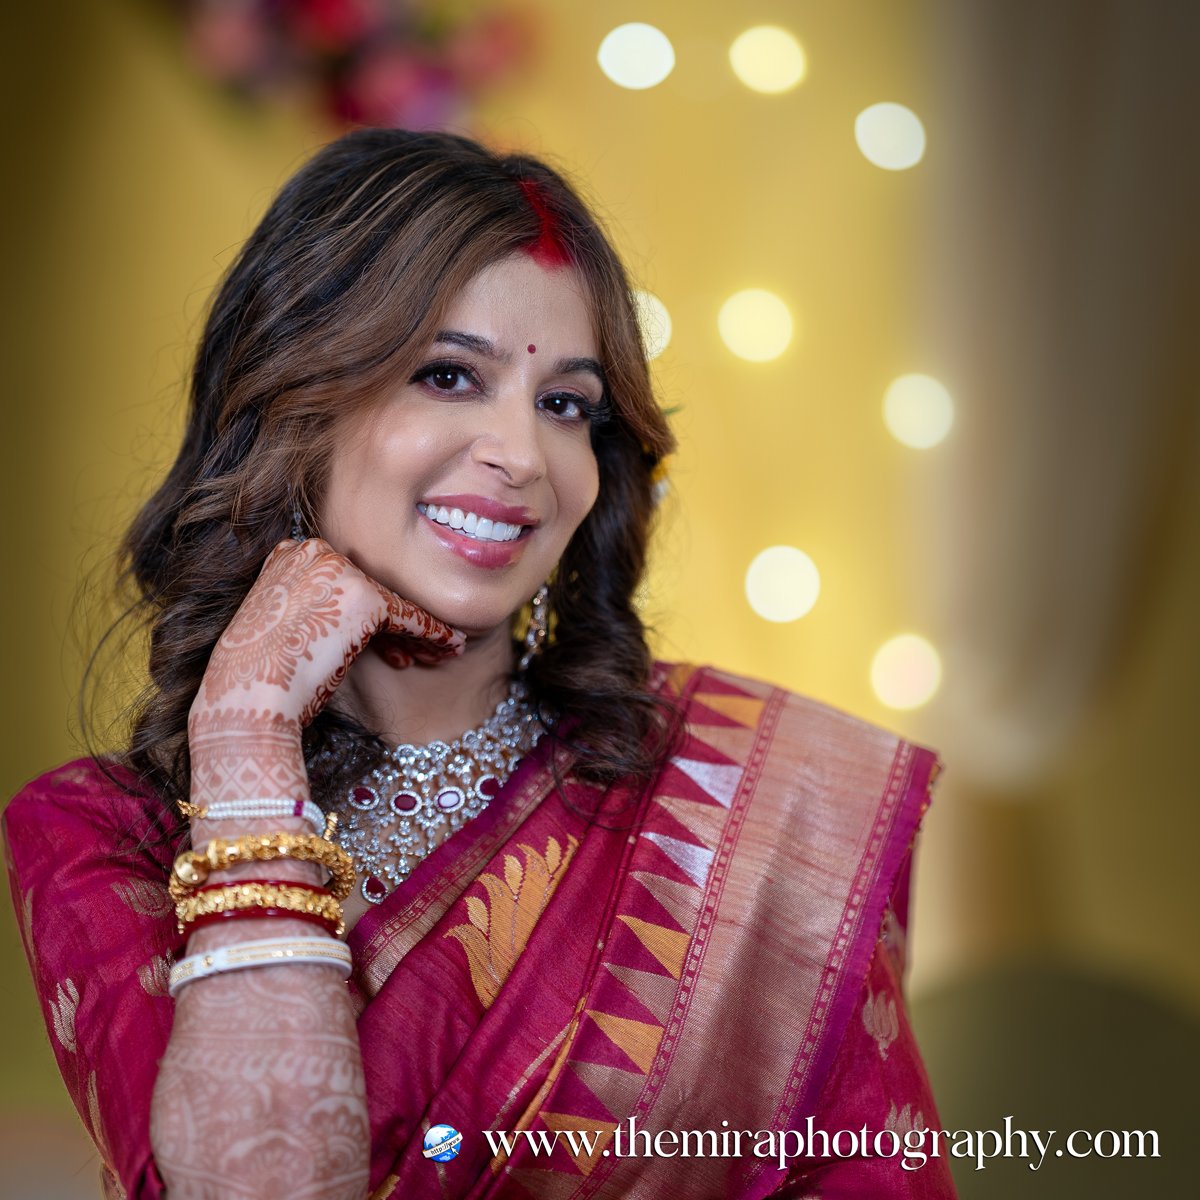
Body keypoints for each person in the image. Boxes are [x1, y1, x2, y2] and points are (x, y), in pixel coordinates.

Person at [3, 128, 956, 1199]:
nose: (522, 455)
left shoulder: (754, 807)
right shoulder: (104, 839)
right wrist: (245, 727)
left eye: (566, 404)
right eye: (449, 376)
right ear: (294, 403)